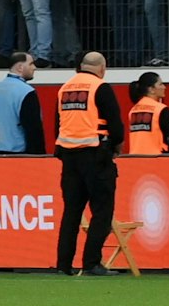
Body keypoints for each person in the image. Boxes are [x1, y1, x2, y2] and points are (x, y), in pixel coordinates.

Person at [53, 51, 124, 276]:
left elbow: (58, 124)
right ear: (102, 68)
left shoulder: (64, 89)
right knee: (102, 211)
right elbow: (115, 125)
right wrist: (114, 146)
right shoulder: (100, 87)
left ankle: (63, 265)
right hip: (96, 155)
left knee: (71, 213)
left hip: (69, 157)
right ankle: (91, 263)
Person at [0, 52, 45, 153]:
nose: (34, 67)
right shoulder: (26, 91)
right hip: (16, 152)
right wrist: (39, 155)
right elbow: (33, 128)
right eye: (31, 64)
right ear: (20, 67)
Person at [125, 72, 169, 157]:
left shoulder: (133, 110)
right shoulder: (161, 109)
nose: (164, 87)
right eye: (160, 84)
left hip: (135, 157)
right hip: (156, 157)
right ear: (151, 89)